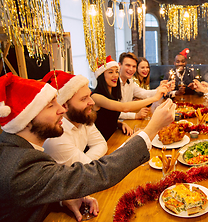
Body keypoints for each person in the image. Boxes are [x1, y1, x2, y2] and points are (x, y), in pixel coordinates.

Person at [0, 72, 176, 222]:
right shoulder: (19, 165)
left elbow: (31, 192)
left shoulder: (18, 151)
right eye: (50, 106)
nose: (61, 110)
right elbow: (97, 174)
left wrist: (61, 200)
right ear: (26, 121)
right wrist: (152, 129)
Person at [91, 57, 168, 140]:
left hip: (114, 136)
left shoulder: (113, 92)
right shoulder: (95, 97)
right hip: (102, 141)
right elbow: (123, 107)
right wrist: (154, 98)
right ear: (101, 76)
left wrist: (120, 124)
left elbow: (108, 117)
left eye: (117, 72)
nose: (115, 75)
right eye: (110, 72)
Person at [42, 70, 107, 166]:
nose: (92, 102)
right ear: (64, 106)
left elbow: (101, 144)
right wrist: (87, 164)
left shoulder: (81, 117)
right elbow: (86, 170)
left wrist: (86, 160)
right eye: (84, 99)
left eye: (89, 96)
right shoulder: (56, 137)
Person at [117, 53, 173, 120]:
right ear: (119, 65)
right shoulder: (114, 83)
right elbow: (115, 112)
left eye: (134, 66)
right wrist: (136, 115)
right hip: (118, 123)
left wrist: (162, 89)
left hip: (126, 120)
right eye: (128, 65)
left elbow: (144, 93)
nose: (131, 69)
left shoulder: (130, 82)